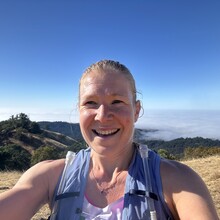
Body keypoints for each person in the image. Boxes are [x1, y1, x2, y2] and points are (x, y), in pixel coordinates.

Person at [0, 60, 218, 220]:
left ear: (136, 111)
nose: (103, 115)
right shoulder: (50, 177)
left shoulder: (178, 181)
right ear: (79, 110)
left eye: (117, 101)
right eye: (91, 103)